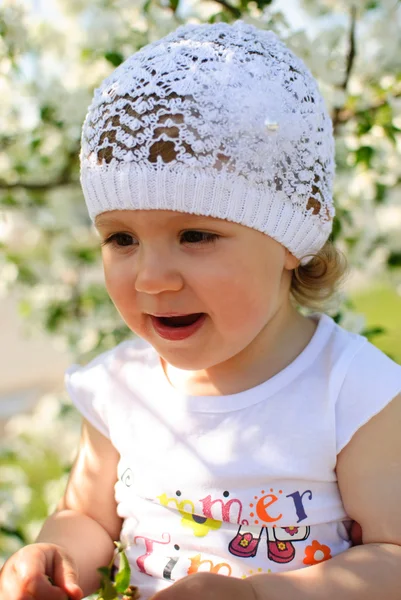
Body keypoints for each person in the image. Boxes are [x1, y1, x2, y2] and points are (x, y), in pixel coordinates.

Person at [1, 20, 401, 600]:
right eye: (121, 239)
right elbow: (86, 517)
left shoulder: (352, 391)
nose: (152, 279)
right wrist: (56, 556)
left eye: (195, 235)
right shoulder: (121, 388)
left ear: (292, 234)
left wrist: (261, 594)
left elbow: (391, 558)